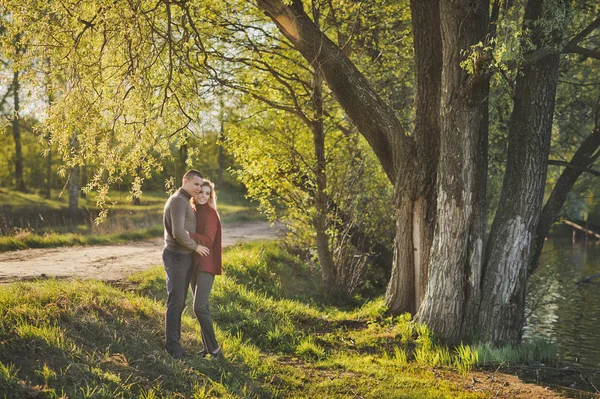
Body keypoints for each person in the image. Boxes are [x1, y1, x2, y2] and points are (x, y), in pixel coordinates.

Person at [162, 169, 210, 359]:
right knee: (176, 301)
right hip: (176, 257)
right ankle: (172, 347)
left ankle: (176, 344)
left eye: (201, 185)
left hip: (184, 257)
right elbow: (178, 232)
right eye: (196, 184)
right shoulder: (178, 201)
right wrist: (196, 247)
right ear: (185, 180)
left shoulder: (184, 200)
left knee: (180, 302)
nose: (199, 188)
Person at [189, 179, 223, 359]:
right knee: (202, 308)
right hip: (194, 265)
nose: (203, 196)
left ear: (211, 196)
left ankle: (215, 350)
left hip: (206, 266)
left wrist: (186, 234)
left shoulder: (210, 214)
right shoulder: (193, 211)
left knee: (199, 307)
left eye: (207, 193)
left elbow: (208, 240)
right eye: (201, 192)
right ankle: (206, 348)